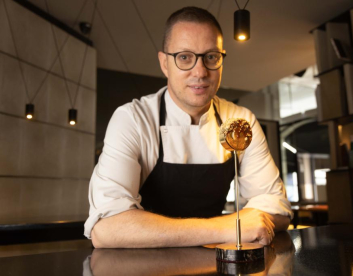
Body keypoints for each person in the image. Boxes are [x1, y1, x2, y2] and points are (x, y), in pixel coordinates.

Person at [85, 6, 292, 248]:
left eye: (211, 57)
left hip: (214, 264)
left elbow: (277, 207)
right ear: (164, 63)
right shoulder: (133, 119)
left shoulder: (239, 121)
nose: (200, 72)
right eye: (185, 57)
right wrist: (229, 227)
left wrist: (235, 226)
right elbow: (108, 228)